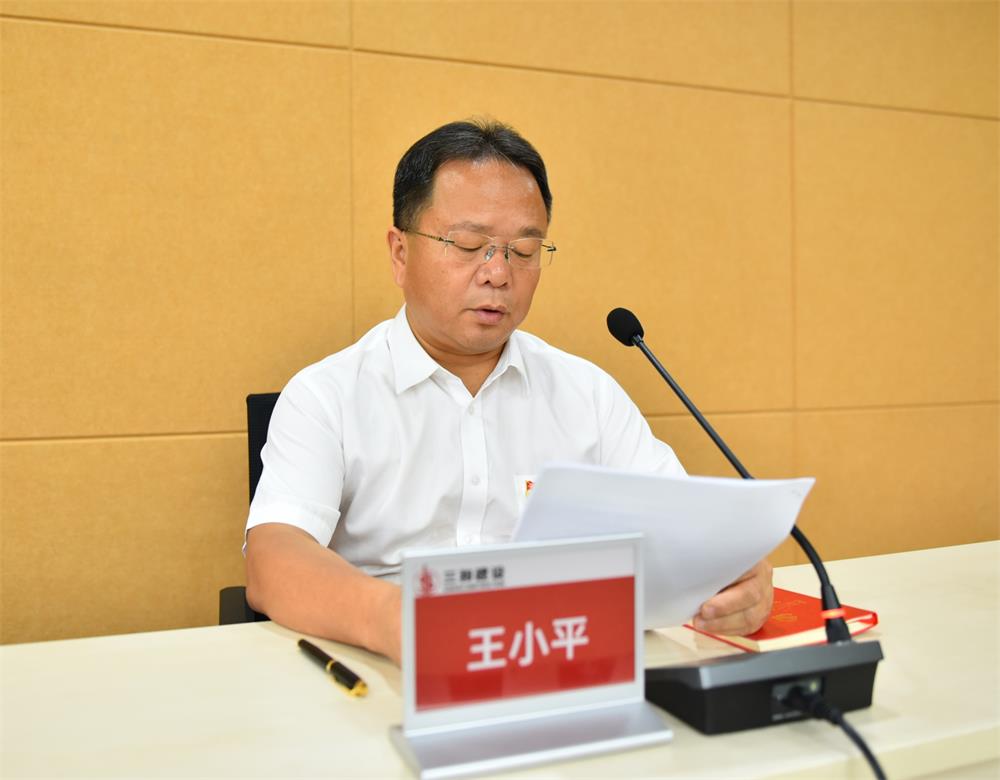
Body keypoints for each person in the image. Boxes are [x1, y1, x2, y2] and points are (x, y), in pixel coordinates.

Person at [244, 118, 773, 665]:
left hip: (561, 662)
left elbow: (684, 531)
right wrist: (397, 619)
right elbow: (273, 557)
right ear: (400, 253)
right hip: (383, 668)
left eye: (523, 250)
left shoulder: (587, 394)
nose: (498, 273)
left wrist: (734, 576)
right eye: (469, 244)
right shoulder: (327, 395)